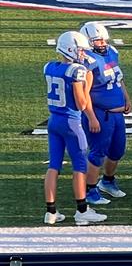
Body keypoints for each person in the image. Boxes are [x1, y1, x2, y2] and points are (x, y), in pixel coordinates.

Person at [43, 31, 107, 225]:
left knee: (53, 166)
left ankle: (51, 212)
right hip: (71, 123)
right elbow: (80, 103)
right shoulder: (76, 71)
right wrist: (87, 82)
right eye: (80, 50)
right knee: (79, 166)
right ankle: (82, 210)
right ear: (70, 49)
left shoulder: (50, 67)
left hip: (53, 121)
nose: (82, 54)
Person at [78, 22, 131, 203]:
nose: (102, 43)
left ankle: (107, 182)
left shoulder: (112, 52)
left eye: (103, 39)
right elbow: (84, 93)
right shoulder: (87, 60)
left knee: (117, 150)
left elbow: (118, 79)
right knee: (98, 152)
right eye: (98, 40)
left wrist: (126, 98)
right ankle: (89, 190)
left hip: (116, 113)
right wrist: (91, 116)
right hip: (100, 113)